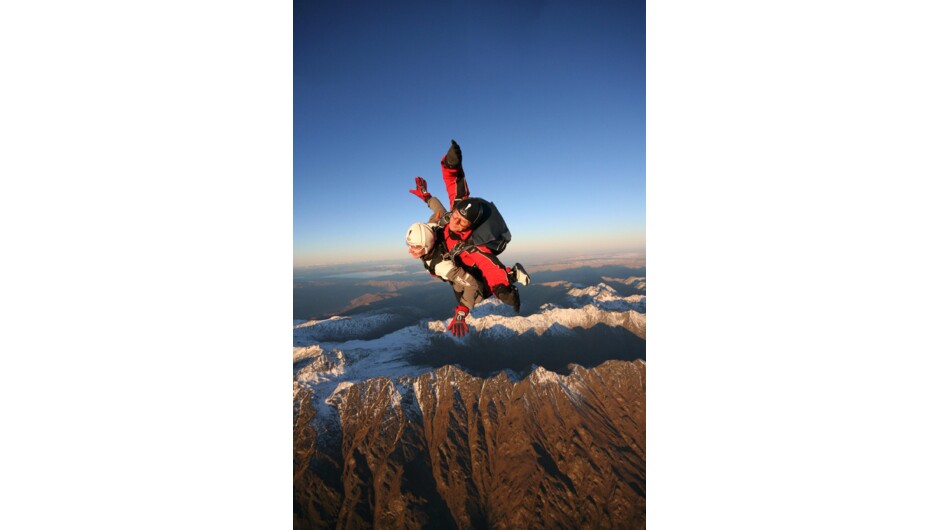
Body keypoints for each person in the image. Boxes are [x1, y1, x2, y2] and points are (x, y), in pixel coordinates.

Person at [408, 139, 530, 314]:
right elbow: (453, 188)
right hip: (448, 259)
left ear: (470, 225)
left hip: (466, 268)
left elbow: (490, 267)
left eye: (461, 222)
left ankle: (513, 274)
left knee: (475, 292)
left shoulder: (472, 247)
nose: (454, 222)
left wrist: (503, 290)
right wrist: (449, 167)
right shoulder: (445, 220)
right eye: (455, 216)